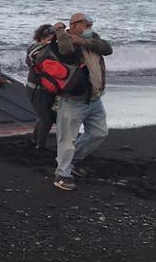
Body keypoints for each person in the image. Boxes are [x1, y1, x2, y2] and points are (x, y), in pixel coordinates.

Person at [52, 13, 113, 192]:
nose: (89, 27)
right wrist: (60, 30)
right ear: (75, 25)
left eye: (90, 24)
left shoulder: (92, 39)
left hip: (95, 98)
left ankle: (71, 161)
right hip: (73, 100)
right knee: (67, 139)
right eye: (86, 24)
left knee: (99, 133)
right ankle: (62, 174)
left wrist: (84, 41)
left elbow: (107, 49)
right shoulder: (65, 38)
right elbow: (64, 50)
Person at [25, 23, 64, 151]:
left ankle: (34, 140)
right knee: (46, 118)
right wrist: (50, 44)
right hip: (35, 89)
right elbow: (38, 60)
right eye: (48, 36)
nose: (50, 39)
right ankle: (40, 146)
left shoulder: (55, 49)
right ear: (40, 37)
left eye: (53, 36)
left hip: (49, 90)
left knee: (47, 117)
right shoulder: (34, 49)